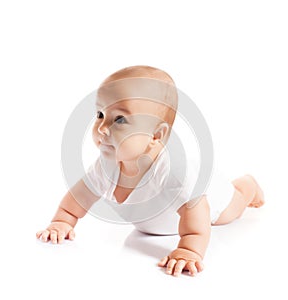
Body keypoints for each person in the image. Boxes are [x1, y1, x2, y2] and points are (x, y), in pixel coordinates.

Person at [36, 65, 264, 277]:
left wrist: (189, 250)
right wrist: (62, 222)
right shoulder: (106, 166)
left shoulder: (175, 174)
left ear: (156, 136)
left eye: (120, 119)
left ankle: (248, 185)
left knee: (234, 207)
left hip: (213, 201)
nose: (102, 128)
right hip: (158, 223)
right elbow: (77, 200)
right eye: (100, 115)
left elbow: (197, 219)